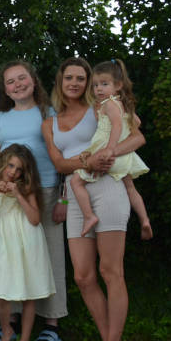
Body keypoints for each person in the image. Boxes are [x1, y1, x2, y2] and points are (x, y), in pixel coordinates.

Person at [41, 57, 145, 341]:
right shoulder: (50, 122)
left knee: (111, 271)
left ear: (90, 82)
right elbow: (60, 164)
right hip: (75, 192)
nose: (74, 83)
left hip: (109, 186)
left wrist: (107, 154)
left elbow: (138, 137)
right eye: (68, 77)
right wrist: (87, 162)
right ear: (59, 82)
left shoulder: (103, 107)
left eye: (80, 78)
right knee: (84, 275)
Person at [0, 60, 67, 341]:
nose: (17, 85)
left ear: (33, 80)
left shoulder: (50, 113)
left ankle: (51, 323)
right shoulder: (0, 119)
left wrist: (65, 196)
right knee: (12, 255)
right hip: (7, 195)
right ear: (4, 88)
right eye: (10, 82)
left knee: (48, 256)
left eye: (22, 78)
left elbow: (65, 154)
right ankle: (12, 322)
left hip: (45, 189)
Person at [0, 145, 56, 341]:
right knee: (2, 292)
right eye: (11, 166)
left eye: (19, 169)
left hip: (29, 241)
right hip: (6, 241)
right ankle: (7, 331)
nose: (13, 172)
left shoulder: (27, 188)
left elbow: (34, 219)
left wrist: (18, 194)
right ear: (3, 164)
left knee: (29, 292)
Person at [71, 59, 151, 239]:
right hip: (123, 158)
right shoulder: (120, 104)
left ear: (118, 85)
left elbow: (116, 127)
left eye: (104, 84)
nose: (98, 89)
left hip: (108, 153)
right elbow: (136, 122)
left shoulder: (109, 104)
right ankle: (144, 219)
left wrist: (110, 148)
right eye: (95, 85)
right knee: (130, 187)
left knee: (76, 182)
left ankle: (89, 216)